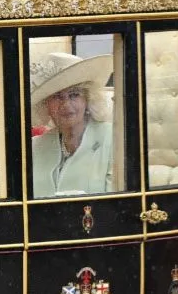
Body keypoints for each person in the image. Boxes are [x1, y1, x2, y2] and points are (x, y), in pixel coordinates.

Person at [29, 51, 115, 197]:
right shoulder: (35, 147)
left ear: (87, 99)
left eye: (74, 95)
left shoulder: (113, 139)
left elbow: (117, 201)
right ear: (45, 104)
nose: (66, 104)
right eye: (57, 96)